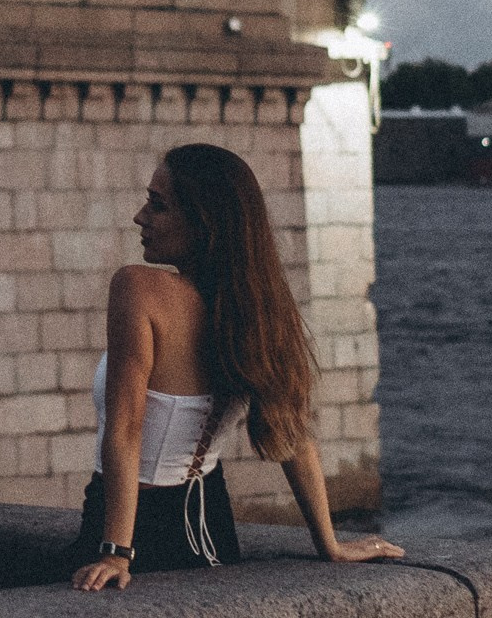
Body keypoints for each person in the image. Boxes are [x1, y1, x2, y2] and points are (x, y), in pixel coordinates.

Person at [72, 143, 403, 591]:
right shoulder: (258, 309)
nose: (140, 216)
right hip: (212, 526)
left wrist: (116, 551)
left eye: (158, 205)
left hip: (127, 529)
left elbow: (127, 428)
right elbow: (293, 434)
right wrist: (330, 544)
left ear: (203, 223)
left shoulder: (138, 289)